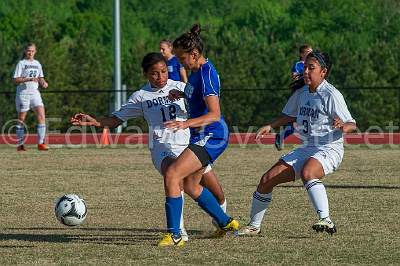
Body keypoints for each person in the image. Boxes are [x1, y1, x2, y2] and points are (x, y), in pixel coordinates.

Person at [70, 52, 227, 243]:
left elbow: (206, 106)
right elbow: (115, 120)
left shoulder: (180, 87)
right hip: (162, 146)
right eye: (154, 73)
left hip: (190, 145)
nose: (160, 77)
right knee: (173, 176)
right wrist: (95, 121)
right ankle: (178, 231)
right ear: (145, 74)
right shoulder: (141, 97)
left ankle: (222, 223)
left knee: (217, 193)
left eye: (163, 72)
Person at [238, 51, 356, 236]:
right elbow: (289, 115)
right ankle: (254, 226)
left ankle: (326, 219)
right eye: (305, 68)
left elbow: (352, 124)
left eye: (312, 68)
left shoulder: (331, 94)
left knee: (308, 173)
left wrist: (343, 125)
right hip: (307, 148)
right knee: (266, 180)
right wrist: (270, 126)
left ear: (323, 72)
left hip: (329, 148)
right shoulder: (301, 93)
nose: (307, 72)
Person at [157, 24, 239, 247]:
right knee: (192, 186)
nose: (180, 62)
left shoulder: (207, 74)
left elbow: (214, 114)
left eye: (182, 58)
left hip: (212, 135)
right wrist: (182, 93)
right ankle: (225, 222)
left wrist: (185, 123)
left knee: (172, 174)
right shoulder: (195, 74)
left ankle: (175, 235)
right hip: (201, 135)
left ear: (194, 54)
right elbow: (197, 97)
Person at [275, 44, 313, 151]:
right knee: (296, 119)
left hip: (311, 94)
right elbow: (295, 78)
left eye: (312, 52)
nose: (311, 54)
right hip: (300, 94)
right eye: (308, 52)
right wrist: (304, 76)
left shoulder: (314, 64)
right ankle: (281, 136)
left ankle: (282, 136)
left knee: (302, 120)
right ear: (302, 54)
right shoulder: (299, 65)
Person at [13, 42, 49, 151]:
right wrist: (27, 79)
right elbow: (15, 80)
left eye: (32, 51)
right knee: (21, 119)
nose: (30, 53)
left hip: (35, 93)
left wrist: (43, 82)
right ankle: (20, 144)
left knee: (41, 115)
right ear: (25, 51)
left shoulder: (37, 63)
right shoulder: (21, 63)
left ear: (35, 51)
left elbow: (40, 77)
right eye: (29, 50)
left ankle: (41, 143)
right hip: (23, 93)